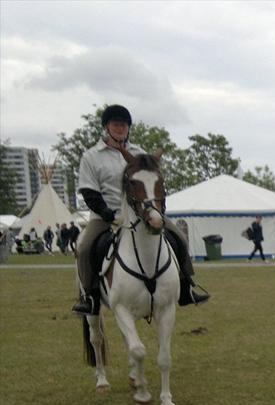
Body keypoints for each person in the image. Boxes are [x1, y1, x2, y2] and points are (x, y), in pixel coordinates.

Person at [71, 104, 210, 315]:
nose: (120, 128)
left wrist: (155, 208)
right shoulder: (92, 157)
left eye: (124, 125)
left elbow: (152, 183)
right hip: (106, 216)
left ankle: (186, 286)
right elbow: (89, 192)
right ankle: (89, 296)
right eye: (116, 124)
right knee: (85, 247)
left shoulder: (140, 154)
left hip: (141, 213)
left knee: (179, 236)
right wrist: (109, 214)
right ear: (106, 127)